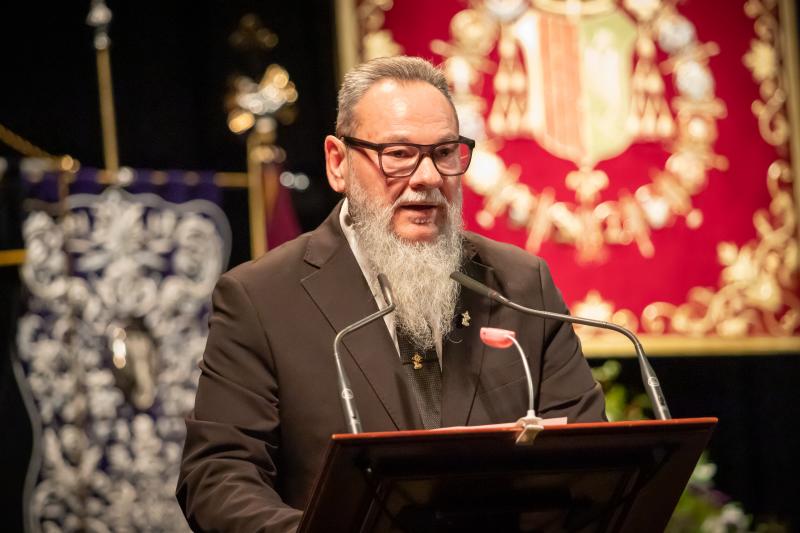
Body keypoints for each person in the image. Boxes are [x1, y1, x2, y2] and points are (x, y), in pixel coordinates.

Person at [177, 56, 605, 532]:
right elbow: (216, 477)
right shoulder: (260, 298)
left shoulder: (521, 285)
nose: (427, 178)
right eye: (398, 154)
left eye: (444, 152)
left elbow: (591, 464)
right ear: (338, 164)